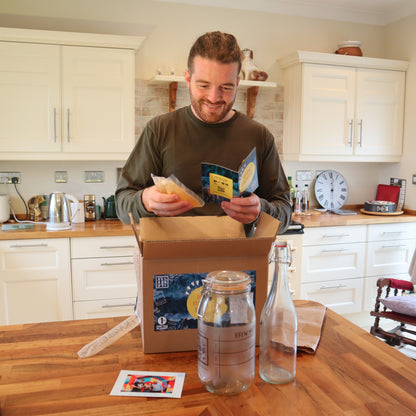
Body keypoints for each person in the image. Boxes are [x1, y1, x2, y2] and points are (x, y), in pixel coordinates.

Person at [115, 31, 291, 234]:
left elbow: (285, 211)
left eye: (225, 87)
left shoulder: (259, 136)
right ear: (188, 79)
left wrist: (261, 210)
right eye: (203, 85)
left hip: (237, 263)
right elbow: (122, 202)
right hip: (171, 261)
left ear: (237, 84)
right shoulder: (159, 130)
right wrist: (145, 200)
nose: (214, 98)